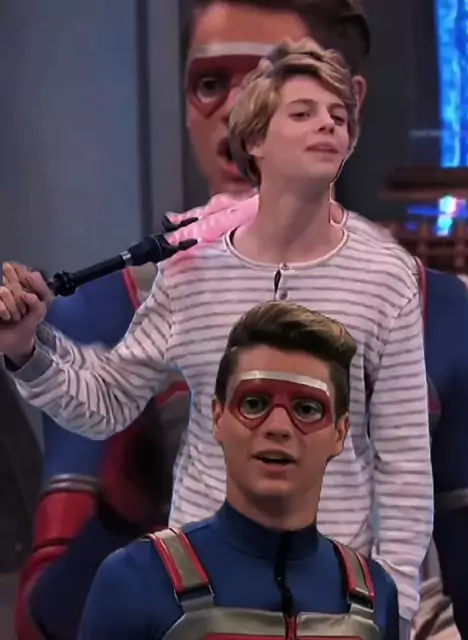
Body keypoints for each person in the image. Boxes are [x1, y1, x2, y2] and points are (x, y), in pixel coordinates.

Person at [1, 38, 431, 639]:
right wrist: (25, 348)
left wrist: (395, 608)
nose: (329, 125)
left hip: (338, 593)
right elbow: (107, 403)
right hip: (197, 586)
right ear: (255, 140)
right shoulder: (191, 269)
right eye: (303, 112)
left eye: (339, 116)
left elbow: (404, 457)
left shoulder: (387, 277)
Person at [79, 300, 400, 639]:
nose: (278, 427)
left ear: (340, 432)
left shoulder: (376, 595)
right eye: (254, 403)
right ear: (218, 417)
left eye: (307, 409)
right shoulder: (138, 579)